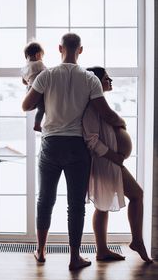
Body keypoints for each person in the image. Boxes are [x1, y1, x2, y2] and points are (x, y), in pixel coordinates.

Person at [22, 33, 126, 271]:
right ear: (80, 50)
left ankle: (40, 250)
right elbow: (106, 113)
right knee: (76, 204)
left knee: (45, 199)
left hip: (51, 144)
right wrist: (122, 123)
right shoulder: (90, 79)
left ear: (59, 48)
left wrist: (42, 96)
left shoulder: (46, 75)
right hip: (77, 146)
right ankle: (74, 257)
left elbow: (26, 106)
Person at [83, 66, 153, 263]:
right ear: (96, 82)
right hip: (106, 162)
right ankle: (135, 242)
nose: (111, 80)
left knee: (104, 205)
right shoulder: (91, 106)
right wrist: (114, 156)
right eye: (107, 78)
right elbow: (91, 140)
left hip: (110, 162)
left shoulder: (100, 103)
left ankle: (104, 250)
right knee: (134, 195)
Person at [21, 42, 46, 132]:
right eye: (42, 56)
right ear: (38, 55)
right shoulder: (39, 64)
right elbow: (47, 73)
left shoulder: (25, 68)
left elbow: (24, 81)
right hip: (37, 91)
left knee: (38, 107)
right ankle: (37, 125)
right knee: (42, 108)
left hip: (29, 91)